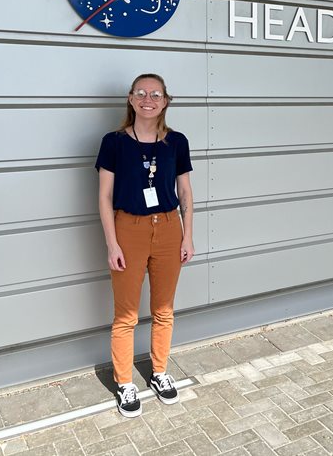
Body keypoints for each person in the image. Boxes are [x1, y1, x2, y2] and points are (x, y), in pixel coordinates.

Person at [95, 73, 194, 417]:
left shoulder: (177, 142)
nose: (147, 98)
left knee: (164, 308)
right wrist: (112, 243)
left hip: (168, 227)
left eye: (155, 93)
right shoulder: (114, 142)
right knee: (126, 314)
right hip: (129, 228)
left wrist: (188, 235)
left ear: (166, 101)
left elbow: (185, 194)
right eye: (141, 93)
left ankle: (160, 372)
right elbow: (105, 197)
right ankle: (125, 382)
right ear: (131, 98)